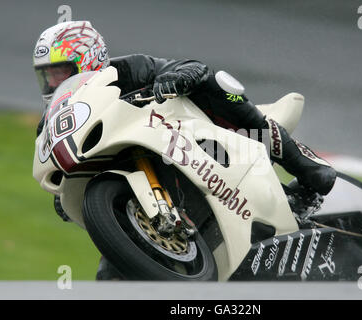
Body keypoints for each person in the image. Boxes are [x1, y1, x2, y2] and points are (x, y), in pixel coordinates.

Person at [33, 21, 336, 279]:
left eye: (59, 73)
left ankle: (306, 166)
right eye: (46, 77)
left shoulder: (125, 70)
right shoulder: (55, 121)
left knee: (217, 84)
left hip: (196, 139)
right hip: (139, 193)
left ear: (89, 59)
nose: (53, 83)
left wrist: (179, 77)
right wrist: (65, 195)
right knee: (110, 273)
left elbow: (190, 67)